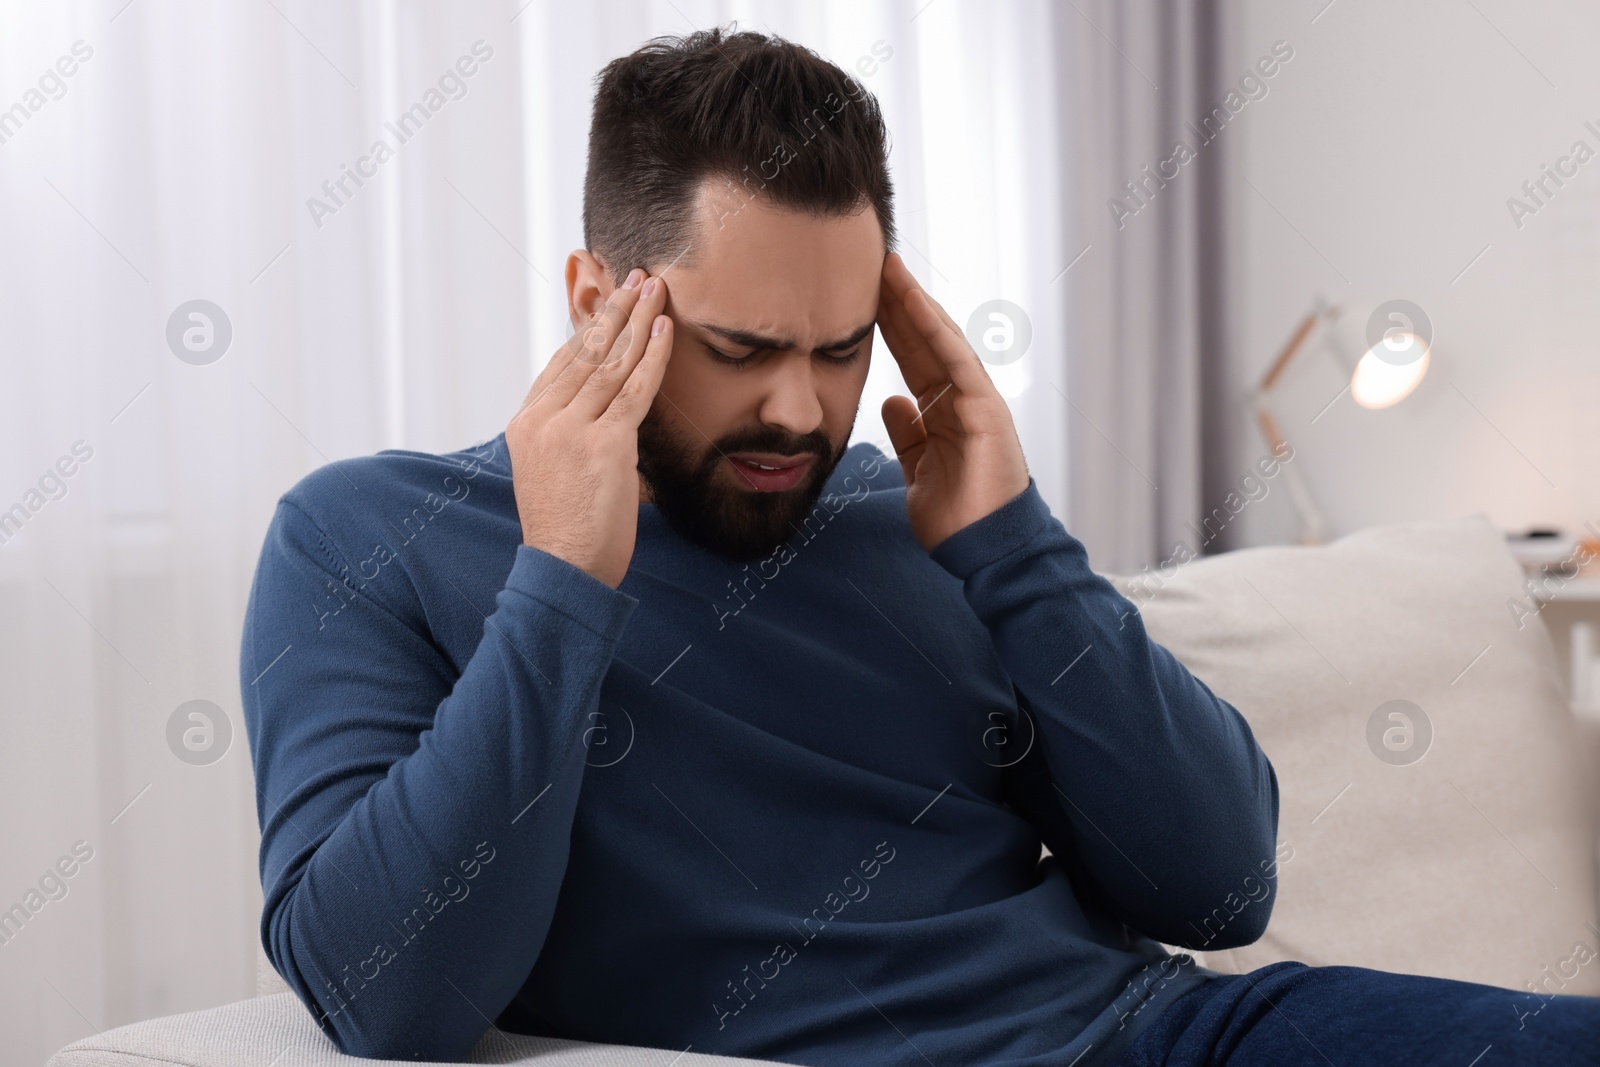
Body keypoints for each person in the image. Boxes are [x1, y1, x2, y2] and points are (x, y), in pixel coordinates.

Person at [240, 26, 1600, 1066]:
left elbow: (1226, 886)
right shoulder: (370, 538)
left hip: (1156, 1037)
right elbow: (390, 1000)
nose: (799, 407)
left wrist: (1014, 549)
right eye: (741, 349)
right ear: (599, 297)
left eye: (840, 349)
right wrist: (560, 584)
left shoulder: (916, 520)